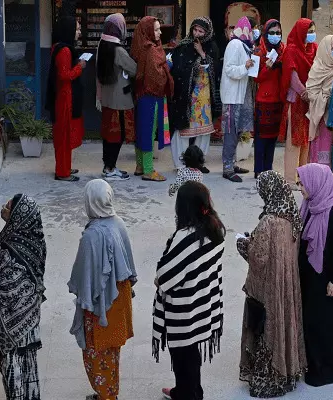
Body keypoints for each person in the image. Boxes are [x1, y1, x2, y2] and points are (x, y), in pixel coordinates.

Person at [236, 170, 307, 397]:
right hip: (287, 284)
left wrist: (242, 243)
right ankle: (286, 369)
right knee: (284, 323)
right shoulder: (292, 216)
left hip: (269, 288)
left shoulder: (268, 221)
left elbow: (258, 257)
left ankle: (269, 374)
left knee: (267, 327)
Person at [153, 181, 225, 400]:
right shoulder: (215, 228)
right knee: (192, 357)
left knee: (183, 358)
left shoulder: (186, 237)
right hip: (204, 306)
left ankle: (187, 394)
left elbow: (164, 277)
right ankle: (190, 391)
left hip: (184, 312)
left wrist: (158, 278)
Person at [68, 180, 137, 400]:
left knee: (96, 352)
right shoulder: (118, 223)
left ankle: (106, 396)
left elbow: (83, 279)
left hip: (99, 306)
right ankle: (109, 393)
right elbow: (129, 266)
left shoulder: (91, 236)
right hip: (119, 298)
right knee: (112, 350)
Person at [0, 195, 47, 400]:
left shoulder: (11, 246)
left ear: (18, 215)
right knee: (28, 366)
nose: (3, 208)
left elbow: (9, 284)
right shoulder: (35, 237)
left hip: (11, 322)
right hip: (30, 316)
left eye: (8, 207)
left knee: (12, 368)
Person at [295, 163, 333, 386]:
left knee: (324, 325)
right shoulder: (310, 206)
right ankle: (316, 364)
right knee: (312, 323)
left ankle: (325, 370)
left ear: (316, 183)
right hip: (311, 279)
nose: (300, 188)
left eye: (303, 183)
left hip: (328, 282)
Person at [169, 17, 222, 173]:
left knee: (203, 130)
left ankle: (198, 162)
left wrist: (201, 53)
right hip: (187, 96)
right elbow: (177, 70)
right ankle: (180, 164)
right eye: (195, 30)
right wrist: (193, 68)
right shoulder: (183, 46)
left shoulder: (212, 46)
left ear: (207, 32)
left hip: (204, 96)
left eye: (201, 31)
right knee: (184, 130)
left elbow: (215, 69)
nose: (197, 34)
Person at [131, 16, 174, 182]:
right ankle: (149, 170)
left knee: (142, 130)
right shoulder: (150, 50)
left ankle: (140, 165)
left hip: (141, 95)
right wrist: (168, 65)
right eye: (156, 29)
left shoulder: (140, 46)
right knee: (149, 132)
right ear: (148, 31)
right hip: (151, 96)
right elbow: (156, 77)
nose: (160, 32)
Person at [46, 16, 86, 182]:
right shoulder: (65, 51)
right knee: (63, 135)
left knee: (64, 134)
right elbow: (64, 75)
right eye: (76, 29)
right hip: (64, 97)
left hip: (63, 96)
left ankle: (64, 167)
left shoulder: (59, 47)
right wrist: (79, 67)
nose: (78, 33)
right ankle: (62, 172)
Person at [96, 13, 135, 181]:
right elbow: (134, 69)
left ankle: (107, 166)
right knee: (116, 137)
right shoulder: (118, 50)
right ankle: (110, 168)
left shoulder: (102, 45)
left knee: (108, 135)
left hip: (106, 99)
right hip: (119, 100)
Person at [280, 18, 317, 182]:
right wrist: (305, 93)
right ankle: (289, 178)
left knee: (306, 141)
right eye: (308, 31)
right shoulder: (291, 50)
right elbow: (292, 76)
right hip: (297, 99)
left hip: (311, 101)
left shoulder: (314, 48)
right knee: (294, 140)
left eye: (313, 31)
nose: (311, 35)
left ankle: (303, 177)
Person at [220, 16, 255, 183]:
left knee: (238, 130)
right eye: (252, 29)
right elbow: (229, 69)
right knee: (230, 132)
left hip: (241, 95)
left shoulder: (245, 45)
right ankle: (227, 168)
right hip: (232, 96)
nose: (253, 32)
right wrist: (245, 67)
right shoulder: (234, 44)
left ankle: (232, 163)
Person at [252, 19, 286, 178]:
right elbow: (255, 78)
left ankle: (268, 169)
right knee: (261, 138)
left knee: (272, 138)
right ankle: (259, 171)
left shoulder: (284, 50)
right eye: (271, 33)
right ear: (265, 34)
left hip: (278, 101)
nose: (275, 36)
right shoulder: (258, 51)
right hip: (263, 101)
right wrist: (268, 67)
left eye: (278, 33)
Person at [305, 35, 333, 167]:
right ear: (326, 50)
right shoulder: (317, 68)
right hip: (322, 118)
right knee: (322, 151)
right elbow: (311, 92)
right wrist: (327, 99)